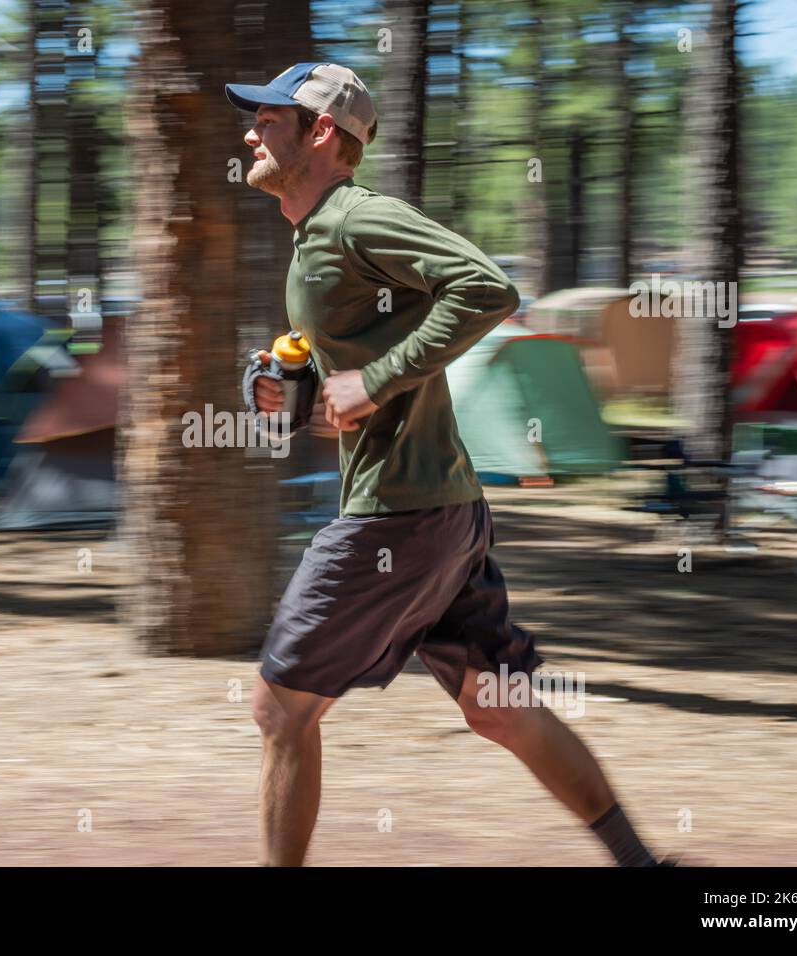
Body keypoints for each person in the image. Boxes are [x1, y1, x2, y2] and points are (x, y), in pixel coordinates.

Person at [227, 62, 671, 867]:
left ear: (321, 132)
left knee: (279, 710)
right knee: (498, 707)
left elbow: (488, 288)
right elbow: (361, 387)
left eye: (267, 117)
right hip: (443, 513)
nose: (249, 131)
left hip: (397, 516)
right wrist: (300, 389)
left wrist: (376, 377)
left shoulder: (357, 218)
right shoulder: (311, 243)